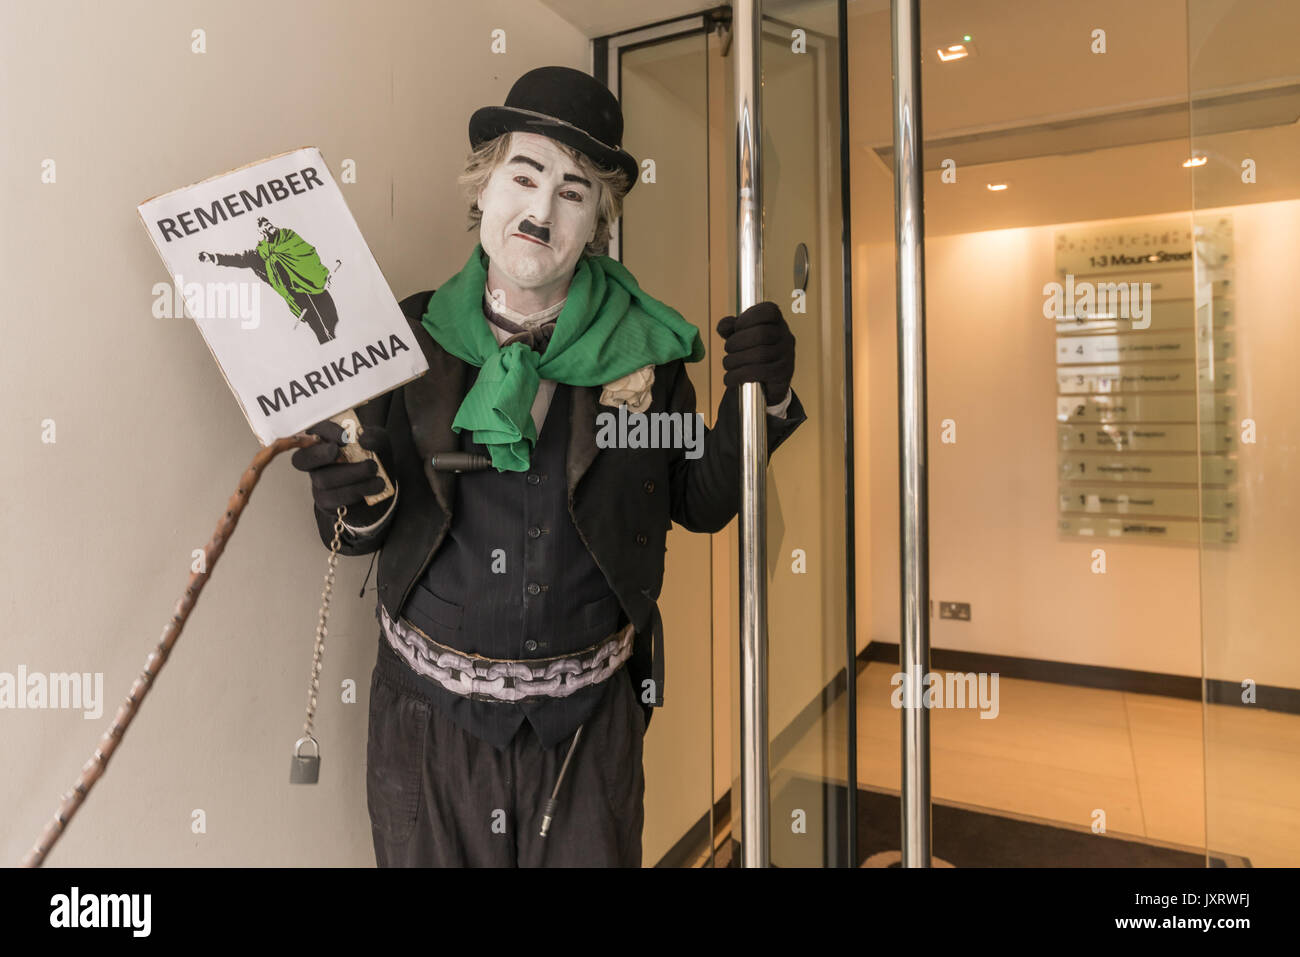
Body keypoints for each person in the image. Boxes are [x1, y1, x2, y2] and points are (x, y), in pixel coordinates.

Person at [291, 65, 805, 867]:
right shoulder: (408, 338)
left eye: (573, 190)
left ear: (598, 217)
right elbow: (359, 528)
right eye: (522, 176)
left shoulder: (646, 355)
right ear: (484, 188)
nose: (540, 209)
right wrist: (343, 494)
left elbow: (697, 502)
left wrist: (758, 403)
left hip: (588, 733)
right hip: (427, 731)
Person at [198, 216, 339, 343]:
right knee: (313, 321)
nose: (266, 223)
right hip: (293, 291)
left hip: (309, 282)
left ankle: (333, 335)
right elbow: (240, 260)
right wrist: (213, 257)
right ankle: (325, 340)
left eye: (266, 221)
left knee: (330, 315)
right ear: (260, 232)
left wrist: (322, 275)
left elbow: (308, 253)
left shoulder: (288, 235)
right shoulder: (260, 253)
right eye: (261, 224)